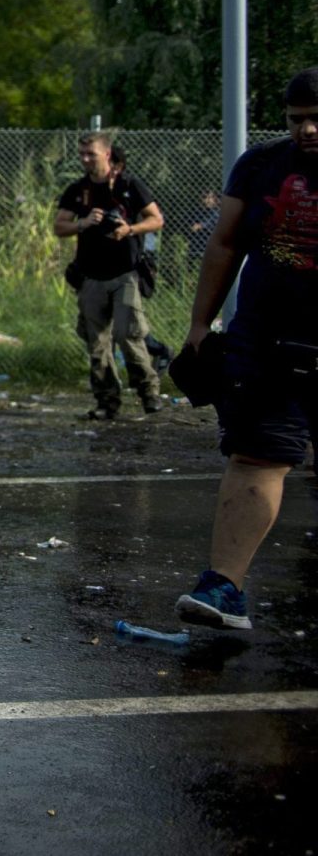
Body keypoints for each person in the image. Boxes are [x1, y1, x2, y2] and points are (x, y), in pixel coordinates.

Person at [174, 67, 318, 631]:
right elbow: (226, 243)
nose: (307, 130)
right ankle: (223, 588)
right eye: (297, 119)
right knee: (258, 456)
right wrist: (198, 325)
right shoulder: (260, 165)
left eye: (316, 119)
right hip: (266, 339)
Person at [55, 131, 164, 419]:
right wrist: (84, 223)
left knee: (128, 335)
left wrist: (129, 229)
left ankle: (148, 392)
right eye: (82, 154)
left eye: (90, 153)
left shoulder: (129, 185)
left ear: (106, 153)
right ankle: (107, 401)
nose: (85, 159)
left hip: (125, 273)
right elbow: (60, 226)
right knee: (97, 343)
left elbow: (156, 219)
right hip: (91, 276)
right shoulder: (78, 190)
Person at [186, 188, 221, 262]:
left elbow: (214, 222)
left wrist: (201, 226)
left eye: (210, 197)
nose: (208, 200)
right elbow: (190, 224)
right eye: (205, 197)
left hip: (210, 243)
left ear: (214, 199)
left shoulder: (217, 212)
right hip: (197, 244)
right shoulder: (197, 212)